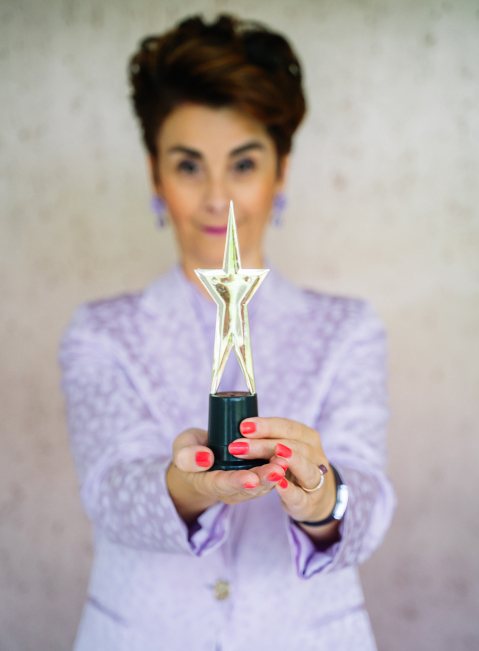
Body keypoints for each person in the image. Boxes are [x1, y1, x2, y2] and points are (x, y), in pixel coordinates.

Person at [60, 14, 396, 651]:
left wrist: (322, 496)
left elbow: (369, 499)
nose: (218, 197)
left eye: (243, 164)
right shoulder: (100, 332)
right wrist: (189, 486)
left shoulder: (348, 328)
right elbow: (109, 488)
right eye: (189, 166)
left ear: (281, 170)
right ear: (156, 176)